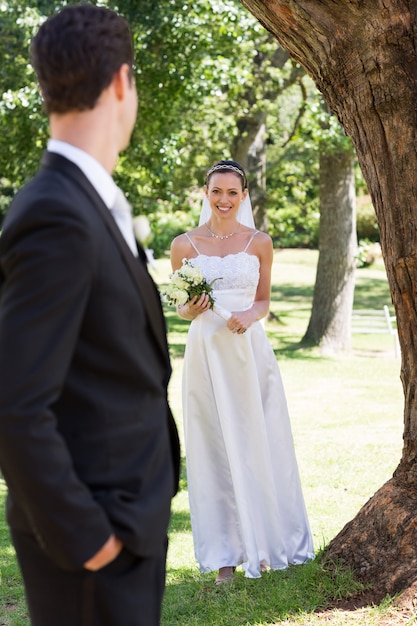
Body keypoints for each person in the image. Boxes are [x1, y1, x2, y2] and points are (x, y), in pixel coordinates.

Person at [0, 5, 180, 626]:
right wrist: (90, 541)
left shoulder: (86, 200)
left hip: (127, 522)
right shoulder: (57, 214)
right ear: (121, 83)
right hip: (93, 548)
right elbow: (14, 405)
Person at [170, 159, 314, 584]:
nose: (225, 200)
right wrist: (189, 309)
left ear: (244, 195)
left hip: (249, 353)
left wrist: (251, 314)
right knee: (212, 445)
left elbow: (264, 299)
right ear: (206, 193)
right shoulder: (185, 244)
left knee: (260, 441)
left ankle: (266, 543)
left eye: (233, 192)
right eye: (217, 191)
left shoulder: (259, 242)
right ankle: (224, 558)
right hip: (206, 354)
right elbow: (180, 307)